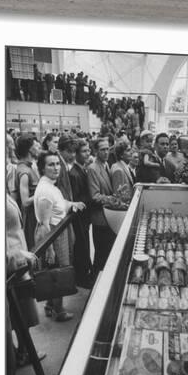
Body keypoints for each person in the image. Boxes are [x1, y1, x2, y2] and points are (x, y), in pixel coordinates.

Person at [6, 193, 46, 375]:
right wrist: (19, 256)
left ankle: (22, 352)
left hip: (16, 264)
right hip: (11, 267)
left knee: (22, 314)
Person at [34, 152, 86, 321]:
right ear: (42, 168)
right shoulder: (45, 191)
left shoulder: (51, 186)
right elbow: (44, 224)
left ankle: (51, 305)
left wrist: (72, 204)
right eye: (51, 165)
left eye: (57, 164)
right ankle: (59, 311)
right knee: (59, 272)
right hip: (52, 235)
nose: (56, 168)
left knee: (54, 272)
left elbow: (60, 204)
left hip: (58, 233)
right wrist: (49, 249)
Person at [87, 138, 117, 276]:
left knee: (106, 252)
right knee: (100, 254)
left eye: (108, 149)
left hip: (108, 217)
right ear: (95, 151)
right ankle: (95, 281)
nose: (106, 152)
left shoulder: (106, 165)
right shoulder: (93, 168)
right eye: (102, 149)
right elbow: (95, 196)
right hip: (100, 218)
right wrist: (113, 199)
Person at [69, 139, 94, 288]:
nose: (87, 154)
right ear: (76, 154)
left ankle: (85, 274)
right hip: (79, 217)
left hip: (85, 217)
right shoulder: (74, 173)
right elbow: (77, 198)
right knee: (81, 246)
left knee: (85, 246)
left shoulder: (82, 169)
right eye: (84, 151)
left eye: (88, 150)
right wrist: (91, 197)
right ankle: (82, 278)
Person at [13, 134, 40, 249]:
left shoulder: (28, 168)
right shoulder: (24, 172)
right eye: (36, 146)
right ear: (30, 149)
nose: (39, 148)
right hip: (32, 219)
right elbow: (25, 202)